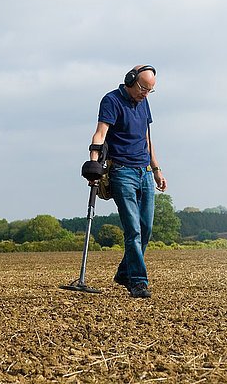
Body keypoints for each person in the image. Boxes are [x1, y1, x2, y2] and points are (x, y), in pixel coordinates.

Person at [88, 65, 167, 298]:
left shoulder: (144, 102)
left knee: (146, 228)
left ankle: (124, 272)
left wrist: (156, 169)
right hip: (122, 172)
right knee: (132, 229)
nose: (145, 94)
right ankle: (138, 282)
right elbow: (100, 134)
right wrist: (94, 165)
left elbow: (147, 138)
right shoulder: (111, 100)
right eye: (143, 88)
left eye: (150, 91)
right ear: (130, 80)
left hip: (144, 171)